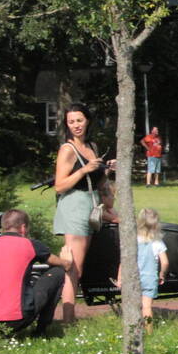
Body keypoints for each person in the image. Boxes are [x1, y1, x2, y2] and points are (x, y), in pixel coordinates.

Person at [54, 102, 115, 323]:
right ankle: (68, 321)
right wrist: (84, 169)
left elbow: (99, 182)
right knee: (74, 268)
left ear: (87, 120)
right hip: (74, 208)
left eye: (79, 120)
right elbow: (60, 186)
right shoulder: (67, 149)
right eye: (71, 122)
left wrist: (106, 170)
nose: (76, 125)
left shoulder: (92, 146)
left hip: (92, 206)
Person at [0, 210, 72, 337]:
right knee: (57, 272)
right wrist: (66, 259)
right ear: (23, 228)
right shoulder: (30, 244)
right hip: (17, 319)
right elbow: (64, 264)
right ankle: (40, 331)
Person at [135, 208, 169, 332]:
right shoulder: (157, 242)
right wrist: (162, 274)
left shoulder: (134, 240)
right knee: (147, 307)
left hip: (134, 277)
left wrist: (120, 277)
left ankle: (134, 329)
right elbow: (165, 262)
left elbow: (125, 260)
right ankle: (149, 331)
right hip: (149, 278)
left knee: (134, 305)